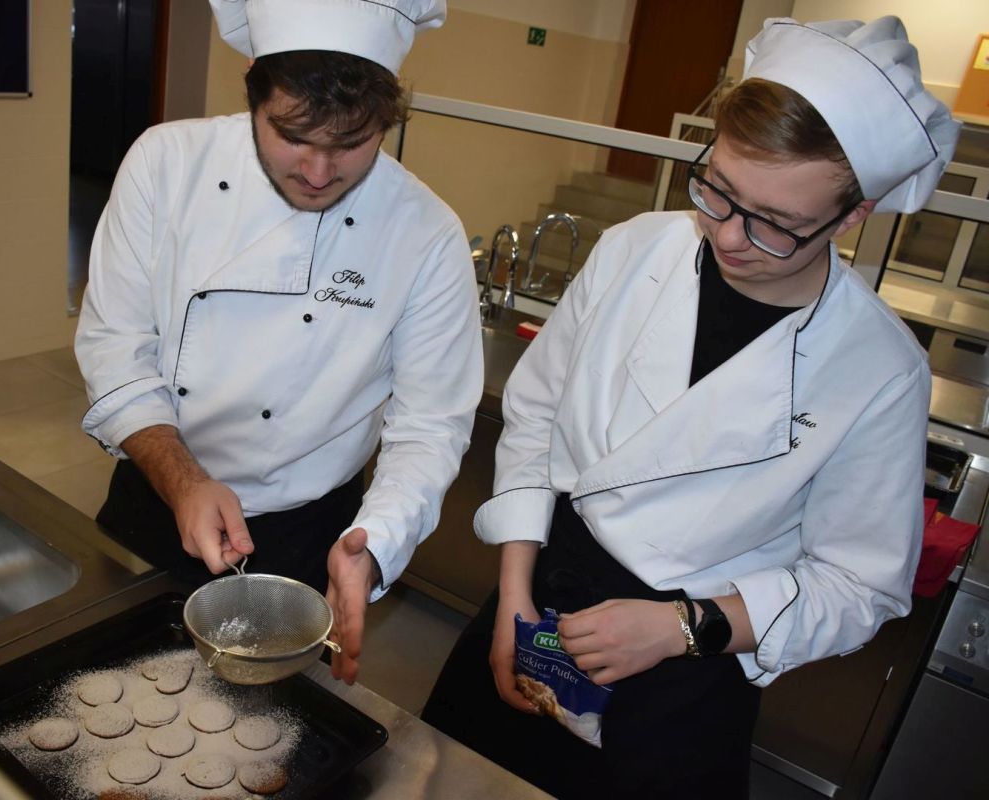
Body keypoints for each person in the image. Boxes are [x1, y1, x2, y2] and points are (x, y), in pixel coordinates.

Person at [422, 16, 959, 799]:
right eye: (719, 191)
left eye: (776, 224)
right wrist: (512, 597)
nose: (730, 237)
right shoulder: (636, 248)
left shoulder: (879, 368)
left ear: (853, 214)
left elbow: (859, 585)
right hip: (539, 590)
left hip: (692, 662)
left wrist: (684, 626)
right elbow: (536, 419)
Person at [74, 0, 482, 685]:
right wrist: (183, 480)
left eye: (351, 142)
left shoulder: (426, 233)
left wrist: (373, 545)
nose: (319, 171)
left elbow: (430, 426)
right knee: (104, 693)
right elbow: (115, 345)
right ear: (251, 91)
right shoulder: (166, 164)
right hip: (157, 493)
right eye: (293, 135)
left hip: (311, 538)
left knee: (268, 728)